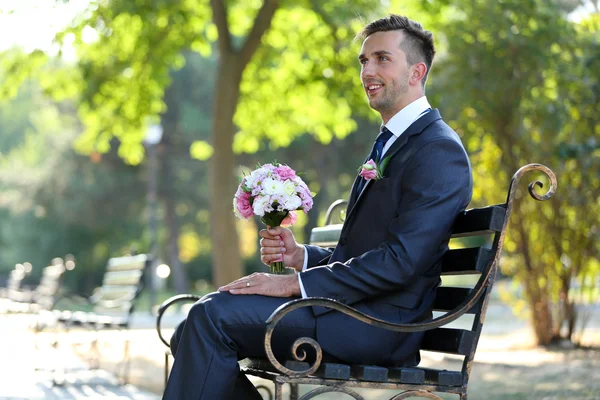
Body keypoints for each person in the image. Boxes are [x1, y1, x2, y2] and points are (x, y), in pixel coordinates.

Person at [163, 14, 472, 399]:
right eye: (363, 61)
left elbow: (400, 261)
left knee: (208, 320)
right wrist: (302, 257)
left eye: (381, 59)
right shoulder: (393, 141)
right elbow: (362, 253)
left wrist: (293, 285)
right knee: (193, 328)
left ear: (416, 71)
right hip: (347, 311)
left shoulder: (438, 150)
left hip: (379, 325)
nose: (367, 71)